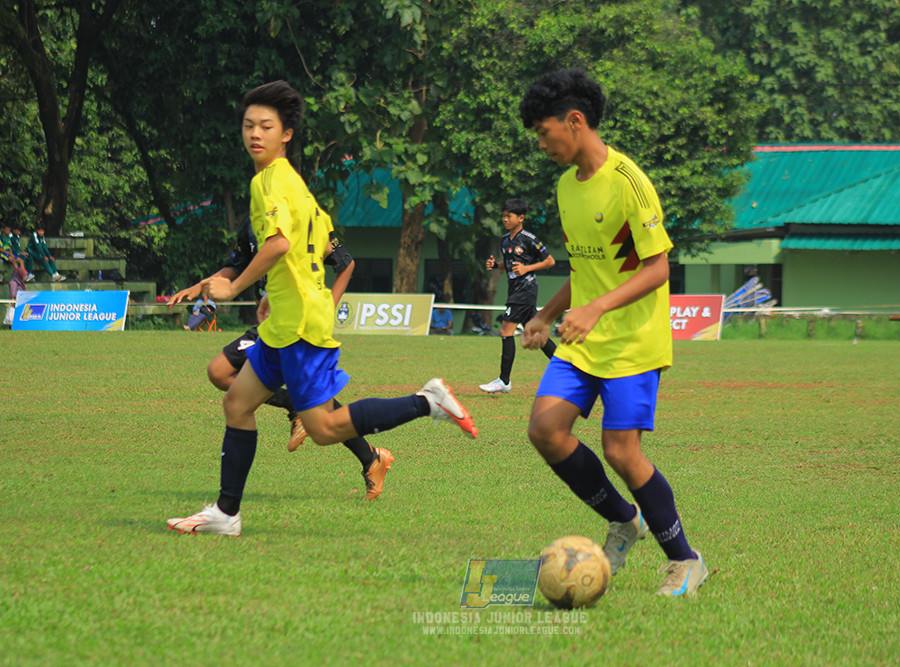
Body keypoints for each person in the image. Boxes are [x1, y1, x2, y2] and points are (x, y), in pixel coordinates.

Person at [167, 80, 476, 536]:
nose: (255, 133)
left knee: (326, 427)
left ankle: (426, 402)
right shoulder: (297, 186)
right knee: (236, 402)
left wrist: (235, 290)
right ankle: (226, 514)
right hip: (285, 321)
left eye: (266, 126)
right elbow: (305, 253)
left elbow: (277, 244)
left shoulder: (268, 181)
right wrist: (275, 290)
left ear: (286, 133)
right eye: (249, 125)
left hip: (299, 327)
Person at [518, 69, 708, 597]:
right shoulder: (565, 186)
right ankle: (626, 521)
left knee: (621, 451)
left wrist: (598, 309)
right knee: (545, 430)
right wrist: (548, 314)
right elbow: (585, 267)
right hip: (584, 336)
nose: (541, 143)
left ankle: (686, 560)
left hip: (632, 340)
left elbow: (657, 269)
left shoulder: (628, 182)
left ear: (574, 122)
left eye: (543, 131)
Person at [170, 218, 393, 500]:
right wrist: (202, 286)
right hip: (273, 323)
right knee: (224, 373)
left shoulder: (304, 219)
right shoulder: (251, 225)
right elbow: (237, 265)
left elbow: (346, 264)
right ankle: (369, 456)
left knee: (311, 405)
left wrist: (326, 311)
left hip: (298, 322)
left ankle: (372, 456)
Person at [478, 198, 557, 394]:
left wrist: (527, 268)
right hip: (515, 290)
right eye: (503, 216)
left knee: (506, 331)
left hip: (525, 290)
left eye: (509, 216)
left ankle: (504, 381)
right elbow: (510, 263)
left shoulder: (529, 238)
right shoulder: (505, 240)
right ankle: (570, 371)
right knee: (535, 334)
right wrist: (496, 265)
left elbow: (550, 261)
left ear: (521, 218)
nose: (505, 219)